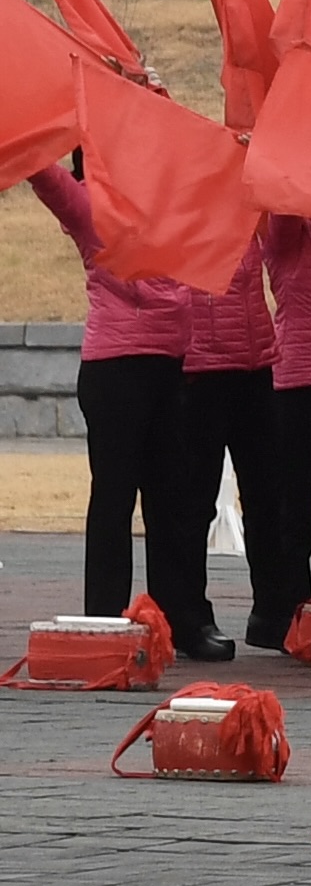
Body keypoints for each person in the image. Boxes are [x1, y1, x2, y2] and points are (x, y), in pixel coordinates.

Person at [28, 154, 230, 660]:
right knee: (115, 498)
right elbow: (44, 173)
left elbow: (180, 144)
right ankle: (104, 621)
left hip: (169, 366)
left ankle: (180, 622)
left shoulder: (169, 204)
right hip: (115, 370)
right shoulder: (87, 202)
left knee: (173, 503)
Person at [179, 235, 287, 651]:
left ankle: (273, 613)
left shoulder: (243, 206)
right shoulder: (179, 204)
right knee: (194, 503)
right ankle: (189, 619)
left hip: (253, 359)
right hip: (198, 368)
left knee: (268, 495)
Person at [265, 214, 311, 637]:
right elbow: (281, 216)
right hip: (295, 379)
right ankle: (291, 614)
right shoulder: (286, 234)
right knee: (296, 510)